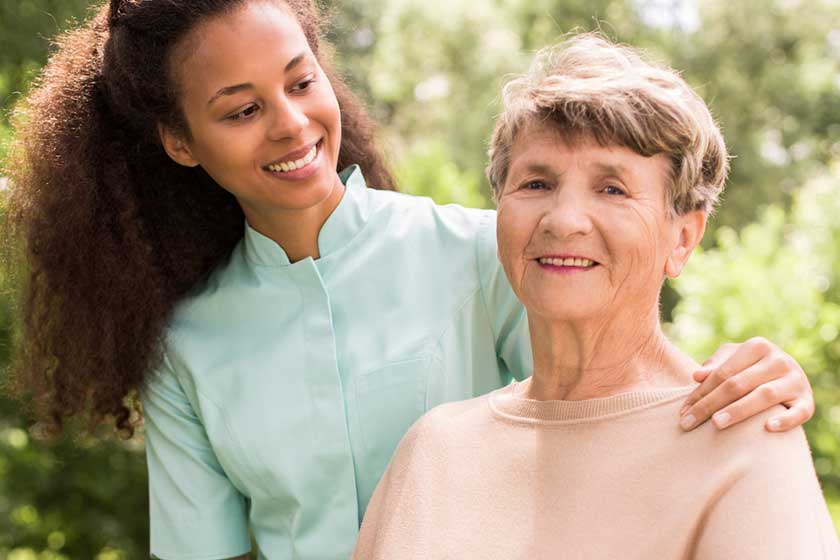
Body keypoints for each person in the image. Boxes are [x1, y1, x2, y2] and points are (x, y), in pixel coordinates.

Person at [3, 1, 816, 558]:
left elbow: (624, 386)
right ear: (181, 141)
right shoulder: (191, 348)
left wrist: (758, 381)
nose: (290, 122)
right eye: (240, 109)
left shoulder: (486, 253)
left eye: (299, 80)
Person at [352, 34, 840, 559]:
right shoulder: (433, 450)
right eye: (536, 183)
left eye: (612, 189)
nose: (563, 220)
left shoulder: (741, 441)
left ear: (683, 239)